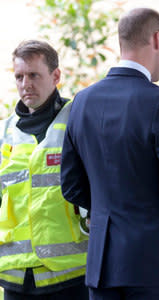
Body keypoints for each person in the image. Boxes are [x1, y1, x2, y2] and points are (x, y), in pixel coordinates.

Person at [60, 8, 159, 300]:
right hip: (154, 263)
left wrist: (105, 209)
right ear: (158, 39)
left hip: (101, 264)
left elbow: (71, 185)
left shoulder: (81, 102)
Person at [0, 40, 88, 299]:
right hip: (16, 276)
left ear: (56, 75)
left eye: (34, 75)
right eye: (19, 76)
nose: (25, 84)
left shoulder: (77, 121)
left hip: (69, 276)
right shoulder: (5, 132)